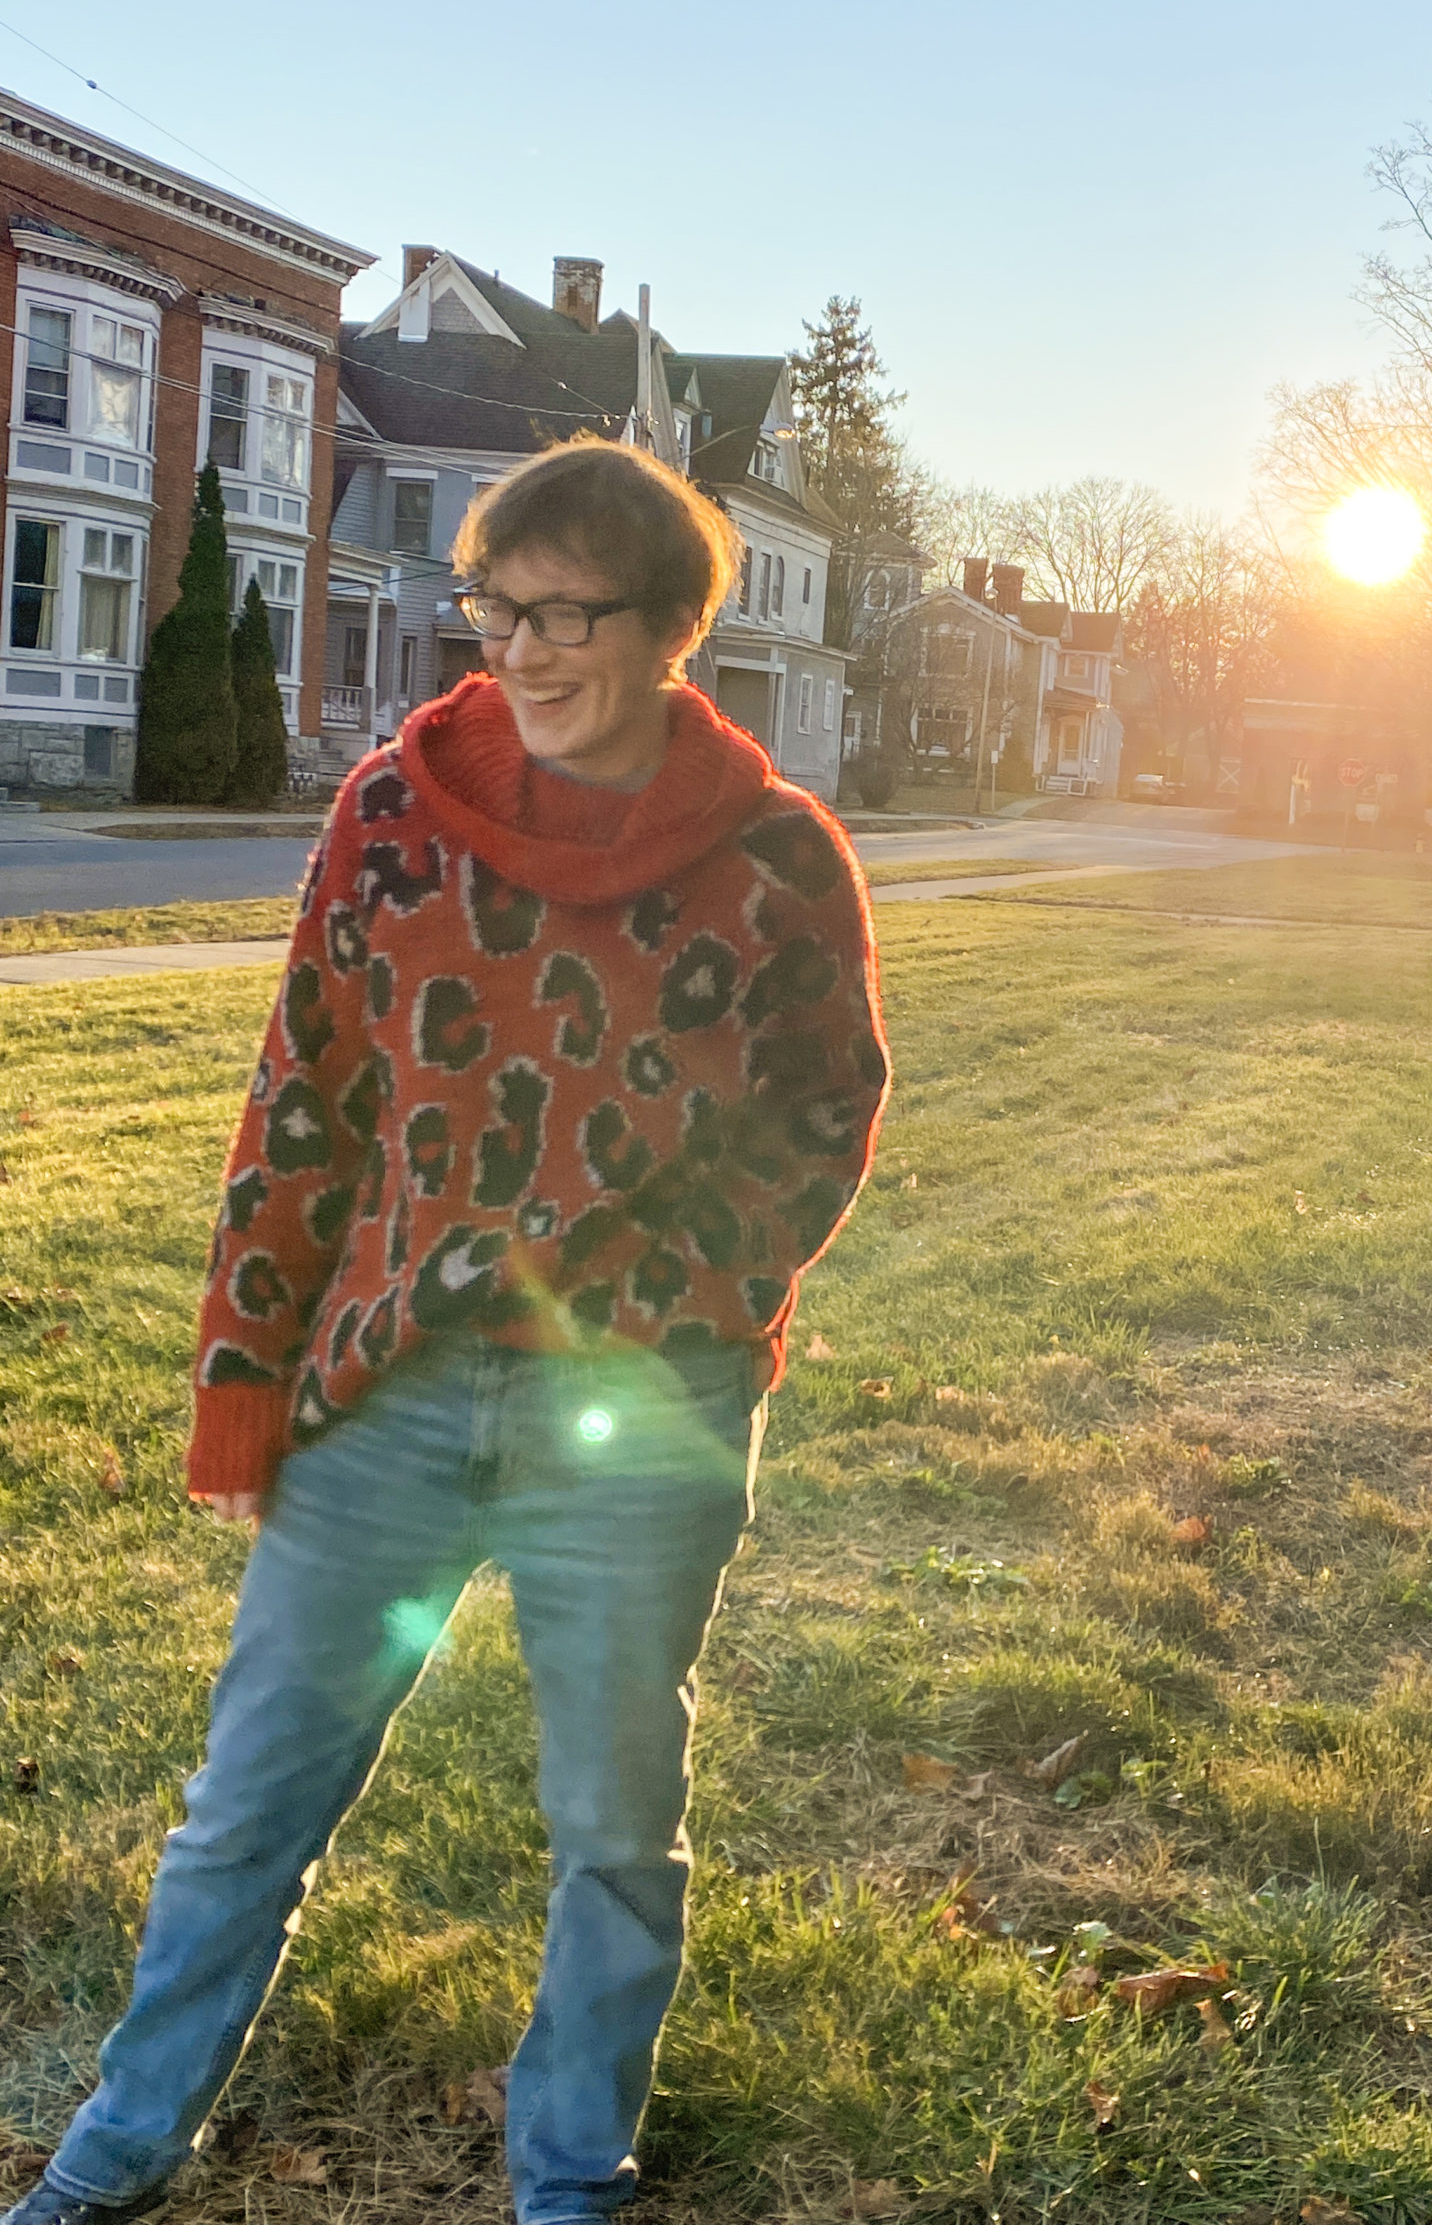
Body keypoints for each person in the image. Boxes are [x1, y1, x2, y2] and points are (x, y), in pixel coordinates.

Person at [10, 437, 889, 2225]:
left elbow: (826, 1110)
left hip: (634, 1420)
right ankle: (120, 2144)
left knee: (613, 1832)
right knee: (245, 1805)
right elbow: (306, 1106)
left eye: (578, 612)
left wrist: (690, 1319)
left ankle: (572, 2171)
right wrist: (245, 1390)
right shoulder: (391, 815)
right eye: (502, 609)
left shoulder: (777, 858)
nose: (532, 650)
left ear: (674, 631)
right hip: (386, 1398)